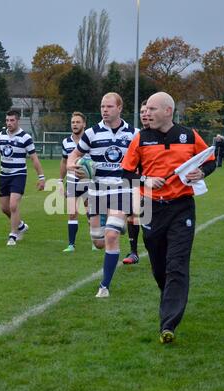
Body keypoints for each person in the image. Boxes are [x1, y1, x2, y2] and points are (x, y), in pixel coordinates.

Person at [121, 92, 216, 344]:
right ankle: (170, 295)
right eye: (146, 109)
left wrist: (201, 172)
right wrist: (146, 180)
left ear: (168, 111)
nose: (146, 113)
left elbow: (210, 159)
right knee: (159, 266)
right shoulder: (140, 138)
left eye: (152, 109)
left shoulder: (189, 135)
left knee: (177, 264)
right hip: (151, 207)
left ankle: (168, 324)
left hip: (182, 208)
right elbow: (126, 172)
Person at [67, 92, 138, 298]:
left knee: (111, 236)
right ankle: (116, 225)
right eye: (102, 107)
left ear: (119, 108)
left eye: (109, 107)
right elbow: (75, 155)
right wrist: (73, 166)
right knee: (98, 242)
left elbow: (144, 159)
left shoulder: (134, 134)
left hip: (121, 189)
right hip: (97, 192)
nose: (104, 110)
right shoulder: (91, 133)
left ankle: (104, 286)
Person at [0, 110, 45, 246]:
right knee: (4, 208)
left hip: (19, 174)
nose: (9, 123)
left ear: (18, 121)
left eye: (12, 120)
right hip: (4, 175)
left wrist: (41, 177)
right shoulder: (1, 135)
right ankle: (21, 225)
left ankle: (13, 235)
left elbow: (34, 158)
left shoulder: (25, 137)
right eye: (7, 120)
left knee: (13, 205)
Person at [59, 112, 95, 252]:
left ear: (84, 124)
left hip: (88, 181)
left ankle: (94, 242)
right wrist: (59, 181)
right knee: (72, 212)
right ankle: (71, 245)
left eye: (78, 122)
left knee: (90, 212)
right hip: (72, 181)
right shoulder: (66, 142)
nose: (75, 124)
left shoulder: (90, 140)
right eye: (73, 122)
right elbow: (63, 162)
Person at [123, 100, 149, 265]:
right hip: (136, 182)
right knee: (132, 217)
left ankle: (157, 250)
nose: (145, 114)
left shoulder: (163, 134)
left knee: (149, 221)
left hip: (158, 186)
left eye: (148, 111)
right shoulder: (136, 135)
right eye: (142, 112)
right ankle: (133, 252)